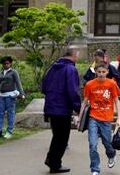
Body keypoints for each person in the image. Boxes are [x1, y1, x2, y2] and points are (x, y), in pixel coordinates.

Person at [42, 46, 82, 174]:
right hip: (62, 108)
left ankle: (52, 160)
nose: (78, 58)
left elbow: (44, 87)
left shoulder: (52, 67)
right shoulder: (70, 69)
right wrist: (78, 108)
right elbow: (72, 90)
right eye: (77, 55)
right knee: (62, 138)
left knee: (57, 137)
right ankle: (54, 163)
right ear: (73, 55)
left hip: (51, 106)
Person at [80, 62, 120, 175]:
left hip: (106, 118)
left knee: (107, 142)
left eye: (104, 72)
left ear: (107, 72)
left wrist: (119, 118)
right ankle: (95, 169)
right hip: (93, 117)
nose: (101, 74)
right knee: (92, 144)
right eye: (99, 72)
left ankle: (111, 154)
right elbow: (84, 102)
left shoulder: (111, 84)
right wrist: (79, 118)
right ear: (95, 72)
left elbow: (116, 101)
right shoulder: (89, 85)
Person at [0, 56, 25, 139]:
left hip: (10, 96)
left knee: (10, 114)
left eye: (7, 63)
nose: (6, 65)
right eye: (4, 64)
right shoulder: (1, 73)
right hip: (1, 96)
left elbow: (18, 83)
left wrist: (22, 94)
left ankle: (9, 131)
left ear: (10, 63)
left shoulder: (13, 72)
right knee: (0, 114)